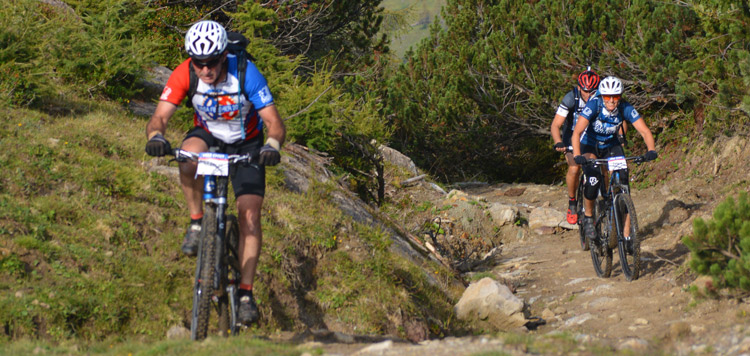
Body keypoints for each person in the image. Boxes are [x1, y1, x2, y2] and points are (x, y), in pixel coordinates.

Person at [144, 20, 286, 325]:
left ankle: (245, 292)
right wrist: (156, 137)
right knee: (186, 156)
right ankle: (197, 222)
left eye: (211, 63)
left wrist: (272, 145)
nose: (205, 71)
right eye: (199, 63)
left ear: (224, 56)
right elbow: (159, 117)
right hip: (208, 135)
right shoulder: (185, 73)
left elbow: (274, 122)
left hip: (246, 143)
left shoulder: (246, 73)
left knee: (249, 214)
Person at [571, 76, 657, 244]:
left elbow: (645, 131)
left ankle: (626, 235)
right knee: (594, 179)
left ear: (620, 97)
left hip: (611, 146)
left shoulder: (625, 108)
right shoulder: (594, 105)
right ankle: (588, 217)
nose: (611, 101)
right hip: (590, 146)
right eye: (607, 96)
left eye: (615, 96)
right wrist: (577, 155)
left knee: (623, 181)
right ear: (602, 96)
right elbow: (576, 132)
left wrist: (651, 150)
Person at [550, 68, 600, 224]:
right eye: (585, 91)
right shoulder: (571, 98)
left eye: (592, 91)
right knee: (574, 167)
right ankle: (572, 201)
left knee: (601, 165)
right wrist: (558, 141)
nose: (589, 94)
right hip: (572, 136)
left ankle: (604, 198)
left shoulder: (602, 98)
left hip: (591, 136)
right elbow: (556, 125)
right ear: (579, 88)